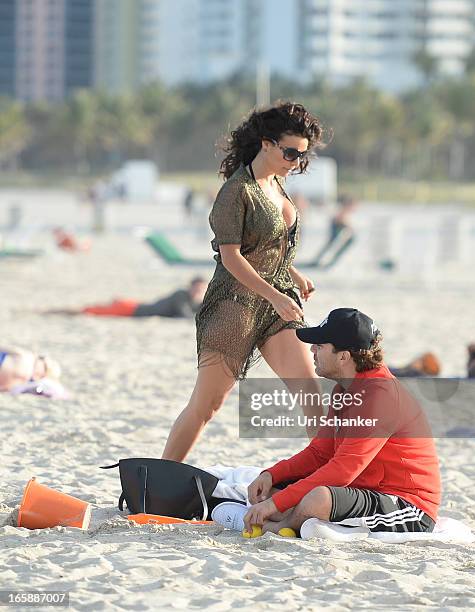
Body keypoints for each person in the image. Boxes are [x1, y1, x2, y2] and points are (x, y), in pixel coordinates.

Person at [162, 102, 328, 461]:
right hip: (232, 310)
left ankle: (331, 477)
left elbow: (266, 244)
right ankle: (158, 477)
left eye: (302, 155)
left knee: (311, 395)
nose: (296, 161)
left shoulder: (278, 183)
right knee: (206, 407)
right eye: (290, 152)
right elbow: (231, 256)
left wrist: (292, 272)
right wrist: (274, 294)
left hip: (275, 304)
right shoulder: (236, 191)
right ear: (266, 143)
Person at [239, 308, 441, 536]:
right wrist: (272, 474)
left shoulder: (380, 396)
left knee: (317, 498)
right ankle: (292, 521)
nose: (312, 350)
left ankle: (284, 527)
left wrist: (275, 506)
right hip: (365, 489)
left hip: (410, 506)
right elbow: (320, 453)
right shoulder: (343, 389)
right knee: (270, 491)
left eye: (320, 346)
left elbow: (343, 470)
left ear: (344, 356)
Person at [43, 277, 207, 319]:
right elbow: (183, 315)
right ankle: (51, 312)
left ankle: (52, 311)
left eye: (201, 289)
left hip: (133, 308)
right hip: (131, 310)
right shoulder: (181, 295)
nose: (198, 292)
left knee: (89, 311)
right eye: (197, 288)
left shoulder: (192, 300)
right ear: (190, 286)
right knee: (86, 312)